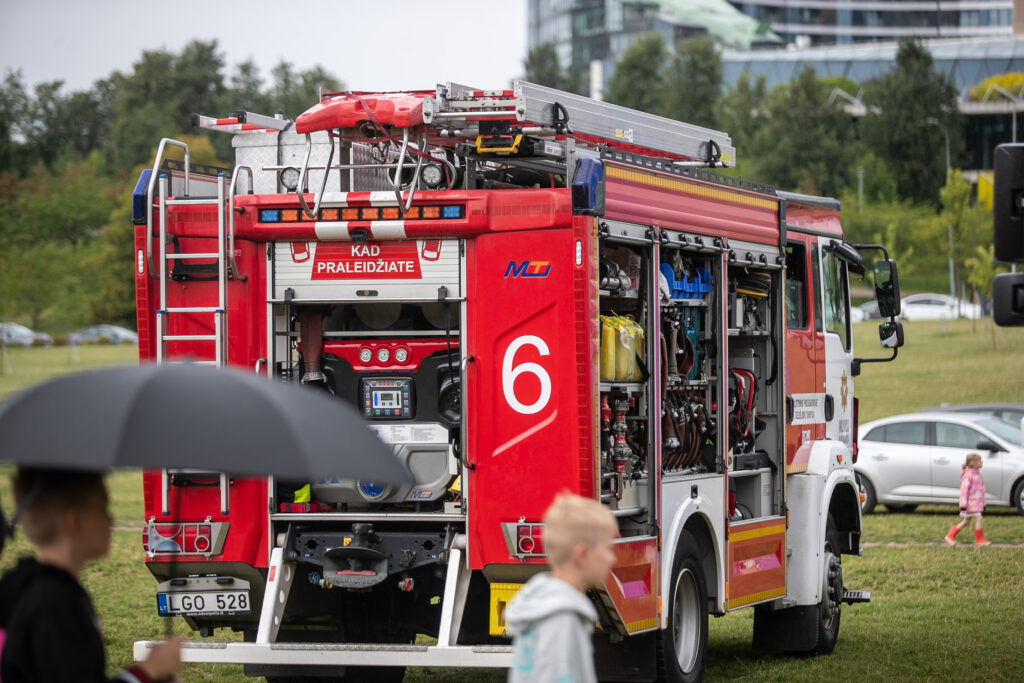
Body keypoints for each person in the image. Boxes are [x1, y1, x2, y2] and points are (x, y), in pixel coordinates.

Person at [0, 468, 182, 682]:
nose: (111, 520)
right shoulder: (54, 603)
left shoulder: (35, 588)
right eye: (103, 508)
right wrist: (146, 672)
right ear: (74, 521)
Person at [505, 492, 617, 683]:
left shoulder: (542, 604)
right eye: (607, 549)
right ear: (582, 555)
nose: (612, 558)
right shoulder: (562, 618)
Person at [944, 453, 992, 546]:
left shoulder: (977, 474)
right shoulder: (968, 475)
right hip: (970, 504)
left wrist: (983, 503)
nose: (981, 462)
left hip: (976, 503)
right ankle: (979, 539)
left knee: (966, 521)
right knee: (979, 518)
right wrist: (963, 505)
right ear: (973, 463)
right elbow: (964, 491)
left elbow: (981, 490)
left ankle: (950, 536)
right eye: (979, 461)